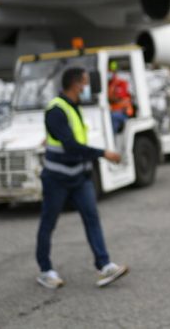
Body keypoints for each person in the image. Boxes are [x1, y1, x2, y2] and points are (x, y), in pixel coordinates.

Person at [37, 67, 128, 289]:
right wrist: (103, 153)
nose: (87, 88)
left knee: (91, 217)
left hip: (79, 175)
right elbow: (69, 145)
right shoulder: (56, 110)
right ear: (76, 84)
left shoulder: (72, 106)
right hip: (57, 178)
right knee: (49, 223)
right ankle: (45, 270)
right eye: (85, 83)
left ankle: (104, 265)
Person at [108, 61, 133, 133]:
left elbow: (114, 98)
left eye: (112, 72)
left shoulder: (121, 84)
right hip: (114, 111)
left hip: (123, 113)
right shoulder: (110, 84)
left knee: (112, 117)